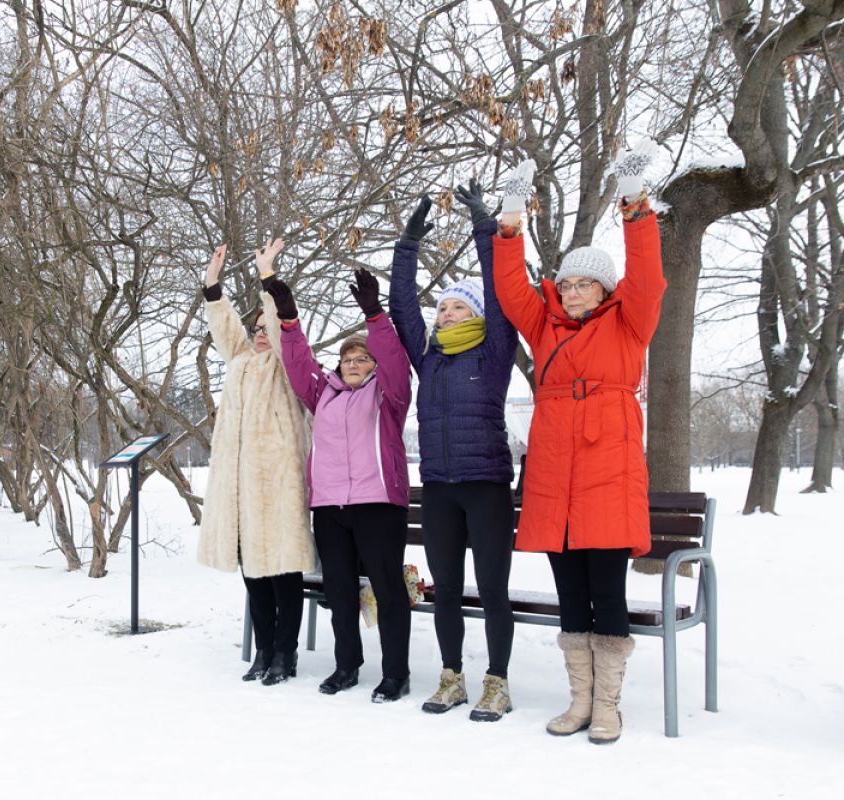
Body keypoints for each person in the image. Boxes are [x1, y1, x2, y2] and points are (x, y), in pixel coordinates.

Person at [492, 143, 665, 744]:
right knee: (571, 598)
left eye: (583, 284)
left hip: (608, 477)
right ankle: (580, 702)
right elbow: (510, 288)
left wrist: (634, 202)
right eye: (565, 284)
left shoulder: (630, 323)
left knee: (607, 595)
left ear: (604, 289)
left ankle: (608, 706)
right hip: (554, 480)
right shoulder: (545, 327)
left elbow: (648, 276)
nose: (570, 292)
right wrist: (510, 216)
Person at [387, 182, 517, 722]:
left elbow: (500, 290)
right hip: (440, 488)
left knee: (492, 590)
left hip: (486, 486)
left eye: (458, 307)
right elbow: (401, 306)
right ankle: (452, 678)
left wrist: (485, 227)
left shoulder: (495, 349)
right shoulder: (429, 357)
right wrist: (408, 243)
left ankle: (497, 683)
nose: (445, 314)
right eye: (442, 308)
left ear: (477, 313)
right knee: (445, 592)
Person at [265, 265, 414, 703]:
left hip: (378, 505)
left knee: (387, 590)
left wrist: (375, 315)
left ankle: (396, 673)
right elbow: (298, 365)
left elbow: (395, 360)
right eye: (347, 359)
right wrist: (289, 320)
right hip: (331, 508)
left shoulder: (389, 394)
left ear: (373, 365)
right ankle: (346, 665)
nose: (353, 364)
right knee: (340, 591)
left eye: (361, 359)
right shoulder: (323, 394)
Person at [198, 240, 316, 686]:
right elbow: (225, 326)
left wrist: (268, 278)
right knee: (254, 574)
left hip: (279, 484)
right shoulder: (241, 361)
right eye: (256, 328)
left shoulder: (287, 364)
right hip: (241, 488)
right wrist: (213, 283)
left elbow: (284, 324)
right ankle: (264, 649)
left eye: (268, 327)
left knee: (283, 571)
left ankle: (286, 652)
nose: (261, 333)